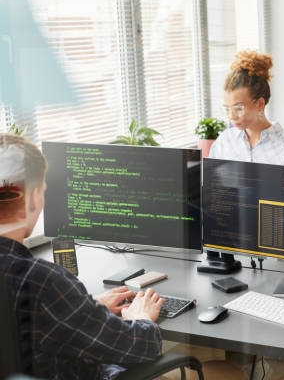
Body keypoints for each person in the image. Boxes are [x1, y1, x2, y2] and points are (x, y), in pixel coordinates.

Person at [0, 134, 165, 380]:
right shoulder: (42, 281)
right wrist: (141, 317)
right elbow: (139, 346)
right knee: (224, 370)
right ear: (34, 197)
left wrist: (86, 306)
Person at [209, 50, 284, 167]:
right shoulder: (224, 142)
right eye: (227, 108)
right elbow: (211, 183)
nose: (232, 116)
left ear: (260, 104)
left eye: (239, 108)